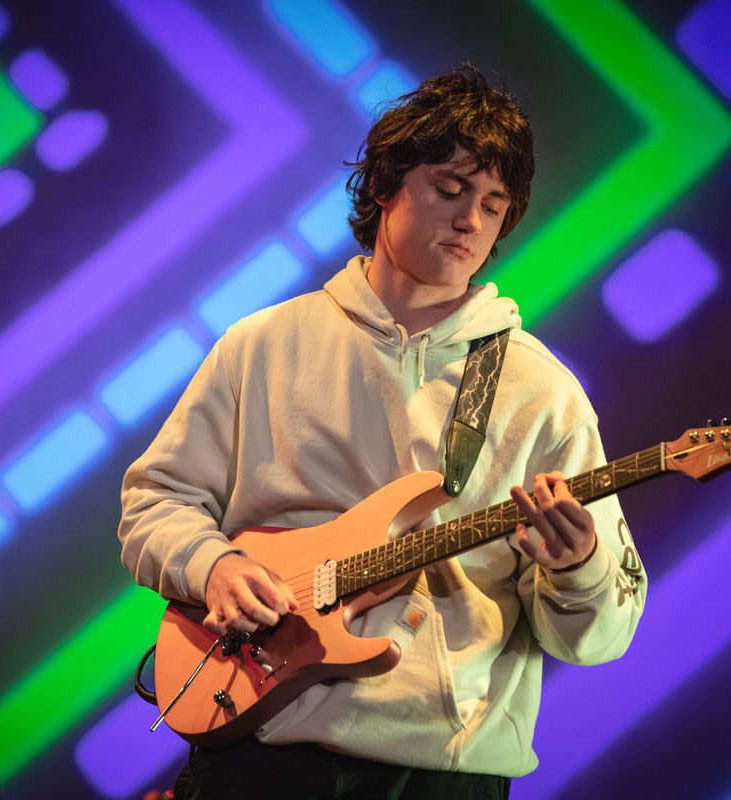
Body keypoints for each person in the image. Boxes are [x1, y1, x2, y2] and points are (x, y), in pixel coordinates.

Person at [119, 65, 646, 799]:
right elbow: (154, 501)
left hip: (440, 774)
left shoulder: (542, 393)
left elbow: (601, 638)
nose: (470, 221)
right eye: (450, 189)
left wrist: (579, 565)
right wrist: (214, 568)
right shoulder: (261, 345)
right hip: (255, 749)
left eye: (493, 205)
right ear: (383, 186)